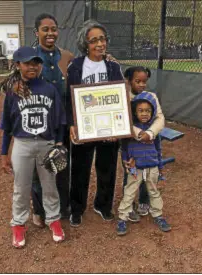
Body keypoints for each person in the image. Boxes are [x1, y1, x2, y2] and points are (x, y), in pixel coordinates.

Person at [0, 46, 66, 247]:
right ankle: (18, 224)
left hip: (46, 143)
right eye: (27, 63)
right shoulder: (13, 91)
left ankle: (53, 219)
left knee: (50, 185)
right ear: (18, 65)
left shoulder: (49, 89)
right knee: (21, 187)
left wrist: (59, 143)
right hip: (22, 144)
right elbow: (7, 126)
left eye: (36, 63)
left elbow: (59, 120)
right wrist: (3, 153)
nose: (32, 67)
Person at [66, 20, 124, 227]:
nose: (100, 44)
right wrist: (72, 124)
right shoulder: (76, 66)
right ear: (85, 44)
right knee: (80, 169)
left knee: (107, 168)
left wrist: (119, 127)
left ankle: (103, 205)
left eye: (102, 39)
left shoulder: (113, 65)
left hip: (108, 127)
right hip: (85, 127)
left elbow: (119, 97)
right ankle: (77, 208)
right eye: (94, 40)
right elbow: (69, 97)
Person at [29, 13, 75, 226]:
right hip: (38, 124)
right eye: (45, 29)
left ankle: (62, 206)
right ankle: (39, 210)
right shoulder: (27, 58)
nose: (50, 33)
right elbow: (14, 87)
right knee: (39, 170)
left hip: (63, 122)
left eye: (54, 29)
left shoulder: (67, 56)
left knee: (61, 164)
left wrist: (107, 59)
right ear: (36, 31)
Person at [117, 92, 171, 235]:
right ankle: (122, 218)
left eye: (148, 111)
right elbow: (124, 148)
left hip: (152, 167)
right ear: (135, 112)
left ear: (152, 112)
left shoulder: (153, 131)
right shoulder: (132, 130)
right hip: (136, 168)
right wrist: (126, 161)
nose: (145, 114)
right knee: (129, 192)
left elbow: (158, 150)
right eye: (141, 111)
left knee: (153, 191)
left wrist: (160, 167)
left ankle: (158, 215)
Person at [122, 66, 165, 223]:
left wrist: (150, 133)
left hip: (150, 141)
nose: (141, 85)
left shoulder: (151, 96)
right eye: (137, 81)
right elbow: (122, 119)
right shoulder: (124, 96)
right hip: (130, 141)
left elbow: (160, 118)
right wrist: (140, 133)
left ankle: (144, 201)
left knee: (148, 170)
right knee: (131, 171)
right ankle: (129, 205)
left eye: (144, 82)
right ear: (129, 81)